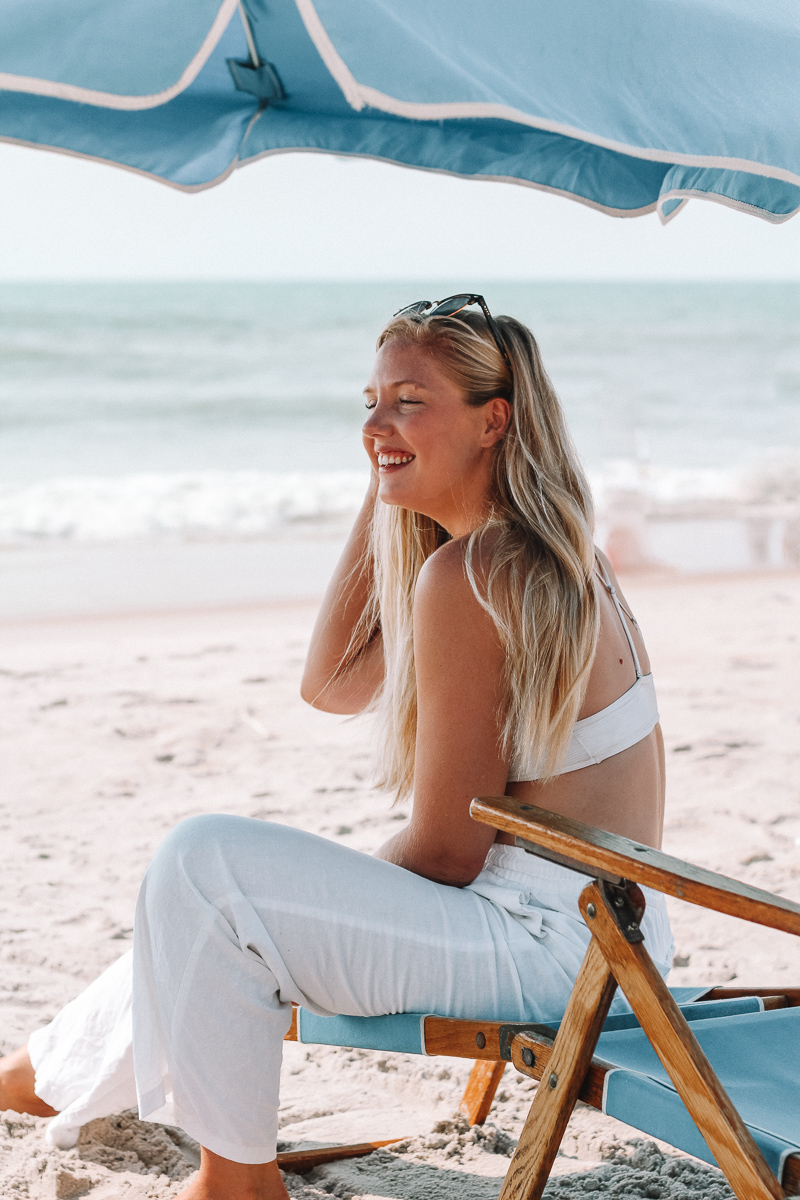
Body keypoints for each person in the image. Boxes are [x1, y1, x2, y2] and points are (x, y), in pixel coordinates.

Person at [0, 296, 672, 1200]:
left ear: (493, 420)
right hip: (614, 941)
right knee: (220, 894)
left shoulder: (474, 574)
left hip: (549, 951)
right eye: (369, 403)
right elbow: (332, 683)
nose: (376, 424)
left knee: (205, 867)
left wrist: (312, 903)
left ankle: (234, 1183)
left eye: (410, 400)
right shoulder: (540, 552)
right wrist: (393, 470)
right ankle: (35, 1077)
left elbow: (442, 852)